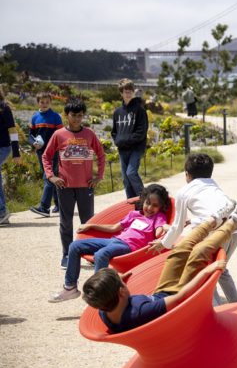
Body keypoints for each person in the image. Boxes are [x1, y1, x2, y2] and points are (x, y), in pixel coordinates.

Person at [82, 195, 237, 333]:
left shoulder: (105, 309)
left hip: (161, 292)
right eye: (121, 284)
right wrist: (206, 271)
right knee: (200, 252)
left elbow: (108, 290)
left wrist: (120, 278)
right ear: (119, 293)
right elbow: (181, 296)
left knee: (180, 250)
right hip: (177, 301)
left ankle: (214, 219)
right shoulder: (141, 312)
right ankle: (235, 220)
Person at [48, 184, 171, 302]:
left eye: (155, 205)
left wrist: (170, 229)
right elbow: (113, 228)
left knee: (101, 254)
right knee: (75, 246)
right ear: (143, 200)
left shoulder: (158, 217)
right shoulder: (134, 215)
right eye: (148, 203)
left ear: (160, 207)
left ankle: (98, 294)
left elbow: (159, 231)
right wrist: (92, 226)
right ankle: (70, 287)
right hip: (114, 240)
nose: (149, 208)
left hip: (128, 247)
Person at [147, 153, 237, 306]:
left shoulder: (184, 192)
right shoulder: (214, 185)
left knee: (206, 273)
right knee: (221, 269)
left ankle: (215, 310)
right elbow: (207, 208)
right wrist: (194, 220)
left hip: (216, 231)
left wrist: (163, 243)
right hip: (236, 229)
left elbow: (177, 226)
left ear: (187, 174)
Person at [43, 98, 105, 268]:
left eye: (80, 115)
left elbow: (101, 155)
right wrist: (51, 176)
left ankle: (91, 254)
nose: (77, 118)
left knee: (88, 222)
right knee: (66, 222)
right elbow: (46, 156)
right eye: (73, 115)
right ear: (66, 115)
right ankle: (67, 254)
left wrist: (98, 176)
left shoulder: (89, 134)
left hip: (86, 187)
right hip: (65, 187)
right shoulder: (59, 134)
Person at [111, 78, 148, 199]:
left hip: (136, 148)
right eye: (125, 91)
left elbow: (141, 132)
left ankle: (144, 198)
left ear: (133, 92)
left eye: (130, 91)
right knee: (126, 180)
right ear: (121, 93)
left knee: (131, 173)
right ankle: (132, 204)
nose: (128, 93)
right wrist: (118, 141)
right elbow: (114, 131)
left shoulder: (140, 110)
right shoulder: (117, 112)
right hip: (122, 149)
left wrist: (125, 140)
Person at [29, 92, 64, 217]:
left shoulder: (55, 117)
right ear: (38, 102)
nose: (44, 104)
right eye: (42, 102)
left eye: (47, 102)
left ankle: (44, 208)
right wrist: (33, 143)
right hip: (40, 152)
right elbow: (30, 134)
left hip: (53, 152)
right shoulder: (34, 117)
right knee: (51, 176)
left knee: (48, 176)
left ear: (51, 102)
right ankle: (60, 204)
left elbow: (61, 134)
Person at [0, 88, 22, 226]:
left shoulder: (4, 108)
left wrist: (16, 152)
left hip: (3, 147)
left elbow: (13, 131)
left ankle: (2, 212)